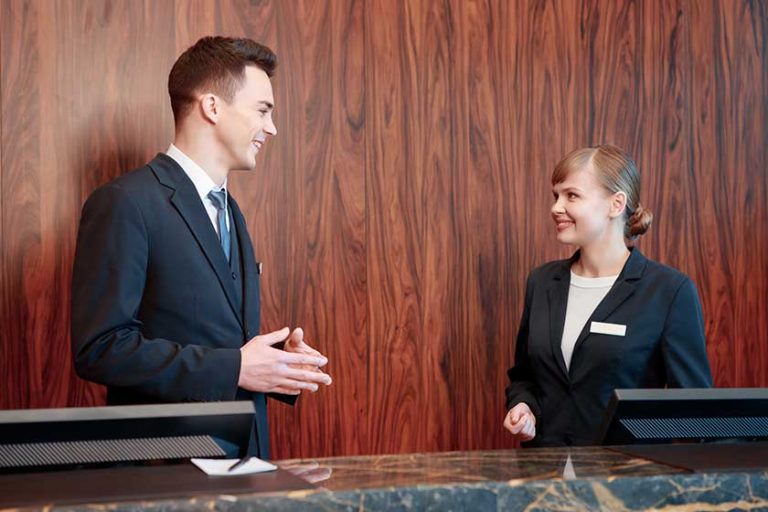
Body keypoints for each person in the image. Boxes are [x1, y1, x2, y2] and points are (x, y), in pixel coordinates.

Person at [71, 36, 332, 459]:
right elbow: (100, 349)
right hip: (166, 474)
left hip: (245, 466)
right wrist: (237, 368)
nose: (272, 128)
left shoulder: (231, 210)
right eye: (263, 111)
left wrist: (277, 366)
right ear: (212, 107)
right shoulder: (125, 202)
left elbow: (215, 335)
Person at [504, 145, 712, 447]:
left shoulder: (669, 291)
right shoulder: (541, 282)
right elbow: (524, 377)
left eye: (571, 195)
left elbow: (696, 413)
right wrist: (523, 406)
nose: (556, 207)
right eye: (556, 196)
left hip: (625, 482)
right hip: (544, 478)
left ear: (616, 204)